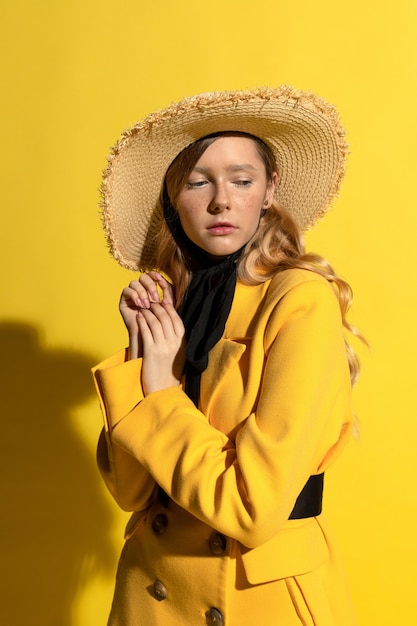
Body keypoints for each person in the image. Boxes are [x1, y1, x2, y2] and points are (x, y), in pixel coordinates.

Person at [92, 86, 360, 625]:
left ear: (268, 190)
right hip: (151, 594)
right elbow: (131, 491)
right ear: (173, 197)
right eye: (198, 181)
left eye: (242, 180)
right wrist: (144, 354)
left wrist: (164, 391)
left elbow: (250, 508)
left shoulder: (299, 300)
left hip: (254, 598)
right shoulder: (174, 302)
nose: (222, 200)